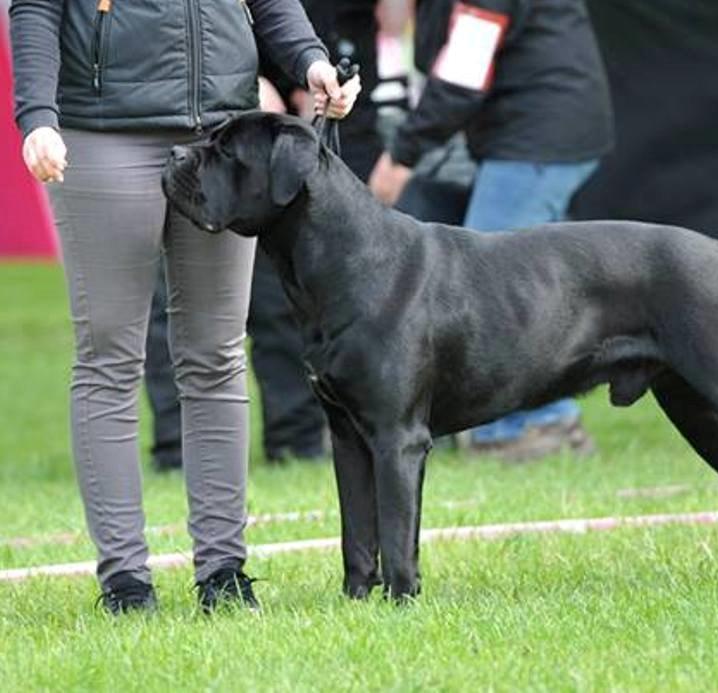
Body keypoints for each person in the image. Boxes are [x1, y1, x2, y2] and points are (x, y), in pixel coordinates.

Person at [10, 0, 361, 613]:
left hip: (222, 134)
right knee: (109, 358)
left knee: (217, 358)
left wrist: (309, 61)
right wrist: (38, 116)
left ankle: (223, 573)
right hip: (103, 130)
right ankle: (124, 581)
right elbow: (35, 8)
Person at [368, 0, 614, 462]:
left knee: (493, 287)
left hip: (541, 131)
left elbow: (463, 70)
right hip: (537, 129)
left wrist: (403, 154)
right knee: (535, 292)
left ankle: (532, 429)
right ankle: (545, 421)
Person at [144, 0, 384, 471]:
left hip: (287, 127)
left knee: (279, 298)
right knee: (173, 300)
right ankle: (176, 447)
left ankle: (295, 439)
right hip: (216, 115)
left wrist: (310, 69)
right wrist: (263, 89)